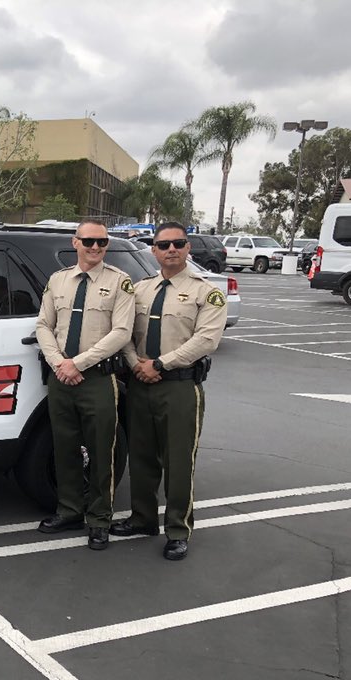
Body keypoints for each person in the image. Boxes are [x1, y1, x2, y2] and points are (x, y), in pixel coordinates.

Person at [110, 221, 227, 560]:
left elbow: (207, 340)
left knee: (178, 462)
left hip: (179, 387)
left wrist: (159, 364)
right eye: (164, 245)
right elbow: (126, 333)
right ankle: (142, 518)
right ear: (154, 250)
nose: (171, 250)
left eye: (178, 244)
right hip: (141, 383)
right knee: (143, 458)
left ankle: (177, 529)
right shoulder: (141, 289)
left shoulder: (207, 291)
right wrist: (136, 365)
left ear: (188, 248)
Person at [35, 220, 134, 550]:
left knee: (102, 451)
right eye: (89, 241)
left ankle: (99, 519)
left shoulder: (120, 282)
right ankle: (69, 510)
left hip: (97, 380)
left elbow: (121, 332)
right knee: (64, 448)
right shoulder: (58, 280)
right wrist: (59, 363)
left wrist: (77, 364)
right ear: (75, 242)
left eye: (102, 242)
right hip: (61, 379)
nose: (95, 247)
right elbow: (44, 325)